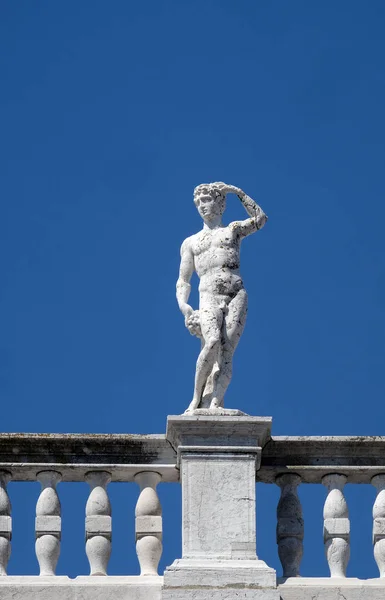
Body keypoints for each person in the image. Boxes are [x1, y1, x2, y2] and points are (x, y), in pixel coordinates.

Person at [176, 182, 267, 412]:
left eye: (206, 200)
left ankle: (216, 402)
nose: (201, 206)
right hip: (208, 295)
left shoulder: (233, 230)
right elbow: (184, 279)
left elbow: (260, 219)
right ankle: (196, 399)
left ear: (220, 203)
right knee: (212, 342)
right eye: (198, 202)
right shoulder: (192, 242)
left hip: (236, 293)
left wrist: (239, 193)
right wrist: (184, 306)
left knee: (226, 351)